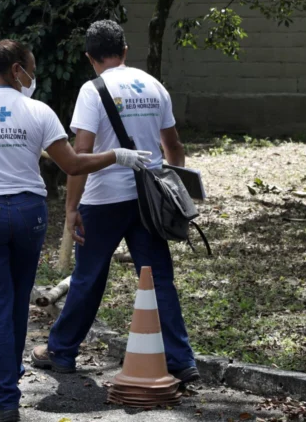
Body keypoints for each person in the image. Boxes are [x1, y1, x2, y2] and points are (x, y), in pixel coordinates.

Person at [0, 37, 152, 422]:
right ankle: (8, 385)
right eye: (31, 68)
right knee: (16, 302)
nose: (33, 75)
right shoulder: (38, 111)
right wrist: (116, 155)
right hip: (29, 215)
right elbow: (72, 164)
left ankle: (5, 401)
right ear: (17, 70)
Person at [31, 20, 199, 383]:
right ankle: (181, 359)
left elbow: (82, 153)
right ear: (125, 51)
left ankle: (61, 351)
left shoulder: (92, 90)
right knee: (158, 279)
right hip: (148, 202)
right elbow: (174, 147)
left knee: (88, 277)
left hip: (104, 200)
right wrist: (169, 185)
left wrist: (71, 209)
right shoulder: (154, 86)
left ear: (90, 57)